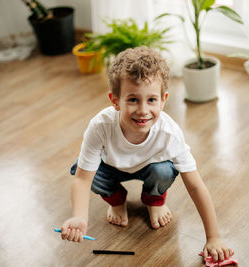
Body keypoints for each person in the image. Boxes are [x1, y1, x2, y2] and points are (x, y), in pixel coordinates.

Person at [60, 46, 234, 261]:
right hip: (111, 168)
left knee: (163, 170)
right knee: (81, 167)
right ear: (115, 101)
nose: (143, 110)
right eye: (133, 99)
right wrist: (79, 217)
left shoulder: (169, 133)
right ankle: (116, 201)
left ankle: (154, 200)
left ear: (163, 100)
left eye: (151, 100)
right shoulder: (100, 126)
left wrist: (214, 236)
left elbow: (195, 185)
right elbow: (82, 179)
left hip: (151, 168)